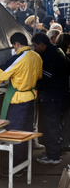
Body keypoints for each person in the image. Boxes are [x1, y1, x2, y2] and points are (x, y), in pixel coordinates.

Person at [0, 32, 42, 168]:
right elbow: (38, 75)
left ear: (17, 44)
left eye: (14, 46)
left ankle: (16, 166)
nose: (14, 49)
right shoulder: (36, 56)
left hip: (18, 100)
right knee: (26, 132)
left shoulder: (19, 57)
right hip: (31, 97)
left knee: (15, 133)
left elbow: (1, 72)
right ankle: (25, 164)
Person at [32, 32, 69, 164]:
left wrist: (35, 86)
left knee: (51, 125)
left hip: (52, 96)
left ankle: (53, 156)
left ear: (42, 44)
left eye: (35, 46)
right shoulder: (57, 50)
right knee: (56, 124)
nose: (35, 49)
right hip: (60, 94)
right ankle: (55, 151)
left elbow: (46, 77)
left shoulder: (49, 55)